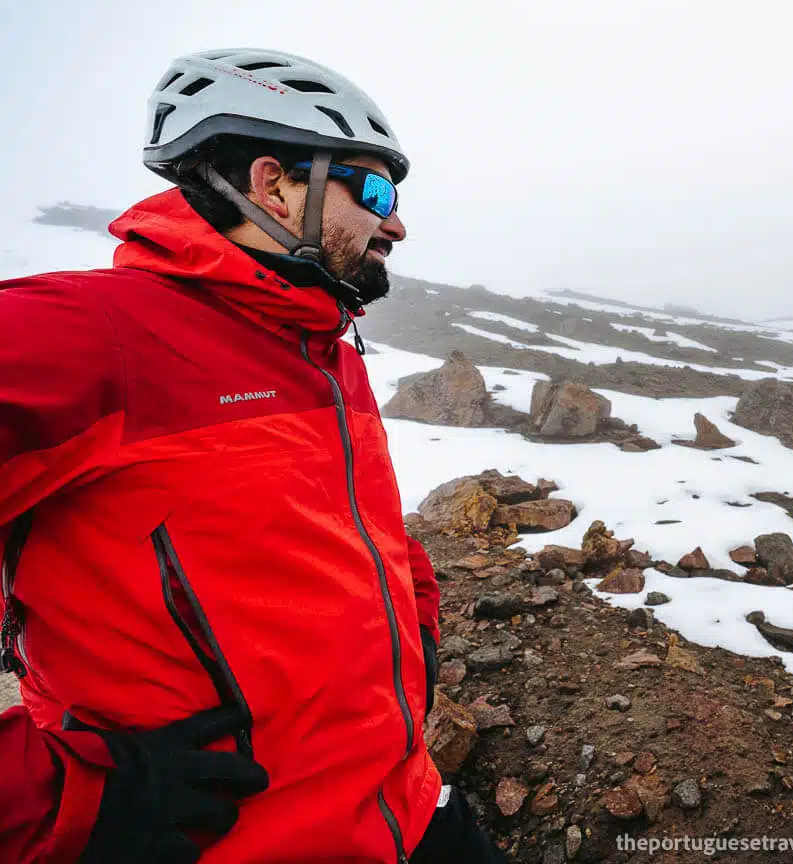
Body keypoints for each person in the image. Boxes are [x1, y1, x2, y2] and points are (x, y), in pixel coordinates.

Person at [0, 49, 506, 862]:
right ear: (275, 185)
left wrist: (416, 625)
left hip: (405, 812)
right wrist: (53, 799)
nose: (397, 222)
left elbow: (364, 529)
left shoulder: (323, 348)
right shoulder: (88, 334)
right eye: (374, 190)